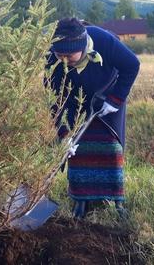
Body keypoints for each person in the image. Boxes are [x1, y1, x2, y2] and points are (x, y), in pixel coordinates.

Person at [46, 17, 140, 218]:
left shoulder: (103, 40)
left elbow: (132, 65)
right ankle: (81, 201)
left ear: (81, 47)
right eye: (59, 55)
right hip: (74, 103)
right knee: (78, 151)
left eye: (68, 56)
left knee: (110, 149)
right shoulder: (51, 60)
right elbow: (53, 99)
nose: (63, 60)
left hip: (107, 99)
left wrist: (115, 99)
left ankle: (115, 200)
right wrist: (62, 135)